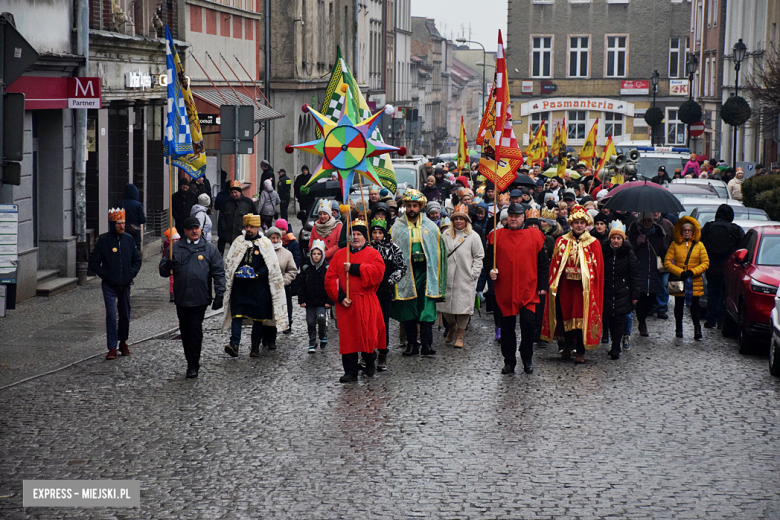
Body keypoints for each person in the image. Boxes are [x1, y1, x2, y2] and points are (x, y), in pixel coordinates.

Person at [487, 203, 549, 374]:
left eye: (517, 216)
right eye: (511, 216)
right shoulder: (497, 235)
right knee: (507, 327)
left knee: (529, 324)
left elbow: (543, 264)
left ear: (523, 217)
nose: (513, 219)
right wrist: (491, 271)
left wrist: (543, 286)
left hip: (528, 288)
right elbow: (488, 260)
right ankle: (509, 360)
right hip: (505, 288)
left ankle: (527, 356)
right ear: (507, 218)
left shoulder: (535, 235)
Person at [161, 216, 225, 378]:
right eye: (191, 228)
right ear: (185, 231)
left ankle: (193, 364)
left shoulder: (209, 249)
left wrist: (219, 293)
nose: (195, 230)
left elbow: (218, 272)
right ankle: (189, 358)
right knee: (185, 330)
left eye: (197, 228)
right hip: (182, 298)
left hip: (200, 297)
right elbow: (162, 270)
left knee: (195, 330)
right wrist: (166, 266)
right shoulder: (175, 248)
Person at [325, 219, 387, 382]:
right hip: (346, 303)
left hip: (366, 299)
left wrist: (355, 268)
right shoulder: (339, 254)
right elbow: (330, 279)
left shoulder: (374, 254)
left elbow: (378, 272)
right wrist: (339, 297)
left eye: (359, 234)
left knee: (367, 334)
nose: (356, 237)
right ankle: (350, 371)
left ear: (365, 237)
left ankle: (369, 361)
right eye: (353, 234)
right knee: (349, 337)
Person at [542, 205, 604, 363]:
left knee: (582, 318)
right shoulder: (562, 241)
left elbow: (597, 268)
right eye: (576, 222)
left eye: (582, 222)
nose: (579, 225)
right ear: (571, 223)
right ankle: (567, 345)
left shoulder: (594, 243)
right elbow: (555, 265)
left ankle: (580, 351)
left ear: (586, 224)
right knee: (566, 316)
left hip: (584, 289)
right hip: (566, 287)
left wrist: (584, 273)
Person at [391, 189, 448, 357]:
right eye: (409, 206)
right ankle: (411, 344)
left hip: (426, 272)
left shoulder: (431, 227)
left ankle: (427, 344)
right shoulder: (396, 228)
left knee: (426, 307)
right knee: (408, 307)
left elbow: (439, 252)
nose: (411, 209)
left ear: (420, 207)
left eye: (415, 206)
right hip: (406, 273)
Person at [221, 215, 287, 357]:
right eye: (246, 227)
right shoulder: (238, 242)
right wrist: (237, 272)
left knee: (258, 318)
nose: (248, 229)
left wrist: (257, 274)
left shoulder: (265, 244)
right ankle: (234, 344)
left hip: (259, 288)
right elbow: (231, 261)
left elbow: (271, 266)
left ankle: (255, 346)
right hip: (240, 287)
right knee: (237, 315)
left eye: (251, 227)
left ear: (257, 227)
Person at [88, 208, 143, 360]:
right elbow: (93, 261)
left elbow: (136, 260)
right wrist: (105, 275)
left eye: (123, 223)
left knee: (125, 314)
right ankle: (112, 346)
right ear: (113, 224)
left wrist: (131, 273)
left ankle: (123, 341)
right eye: (119, 223)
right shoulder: (104, 240)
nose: (122, 226)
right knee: (111, 315)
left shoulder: (128, 239)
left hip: (125, 284)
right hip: (109, 285)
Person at [437, 205, 484, 348]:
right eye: (456, 219)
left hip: (465, 277)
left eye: (461, 219)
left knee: (464, 308)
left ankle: (460, 336)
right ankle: (451, 326)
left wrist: (474, 273)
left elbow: (479, 256)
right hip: (447, 276)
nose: (458, 221)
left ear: (466, 221)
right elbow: (439, 253)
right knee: (445, 306)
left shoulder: (473, 236)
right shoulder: (445, 235)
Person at [369, 218, 406, 370]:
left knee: (382, 323)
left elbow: (401, 267)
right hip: (368, 291)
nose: (377, 236)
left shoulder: (392, 248)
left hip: (384, 291)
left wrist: (389, 281)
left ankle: (383, 352)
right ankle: (368, 353)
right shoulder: (367, 247)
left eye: (380, 233)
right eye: (374, 232)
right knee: (368, 322)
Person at [664, 217, 710, 340]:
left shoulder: (699, 246)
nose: (687, 232)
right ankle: (678, 327)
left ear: (694, 231)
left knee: (695, 307)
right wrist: (680, 272)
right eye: (685, 230)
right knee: (678, 306)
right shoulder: (674, 245)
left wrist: (693, 272)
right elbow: (667, 262)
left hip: (694, 281)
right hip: (680, 281)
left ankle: (697, 329)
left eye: (690, 230)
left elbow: (705, 263)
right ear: (681, 231)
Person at [700, 204, 744, 328]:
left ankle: (710, 319)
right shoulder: (736, 230)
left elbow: (700, 243)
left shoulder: (709, 227)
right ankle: (721, 321)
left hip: (711, 265)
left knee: (712, 292)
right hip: (728, 267)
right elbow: (742, 246)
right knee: (725, 293)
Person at [602, 221, 640, 359]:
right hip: (607, 290)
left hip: (623, 290)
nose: (616, 241)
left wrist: (635, 294)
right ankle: (611, 340)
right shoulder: (604, 251)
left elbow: (634, 274)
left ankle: (615, 347)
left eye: (618, 238)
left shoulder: (628, 253)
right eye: (613, 238)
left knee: (618, 319)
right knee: (610, 319)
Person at [627, 213, 667, 339]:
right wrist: (639, 243)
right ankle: (642, 322)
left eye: (649, 221)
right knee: (641, 297)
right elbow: (630, 251)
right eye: (644, 221)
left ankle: (643, 318)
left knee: (652, 298)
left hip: (653, 270)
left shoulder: (657, 234)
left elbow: (662, 250)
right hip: (639, 270)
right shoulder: (634, 233)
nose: (647, 223)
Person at [298, 240, 333, 352]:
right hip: (309, 300)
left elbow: (330, 286)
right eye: (314, 254)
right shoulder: (306, 268)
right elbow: (301, 284)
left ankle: (323, 336)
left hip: (322, 300)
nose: (316, 256)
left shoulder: (327, 269)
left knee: (321, 319)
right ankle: (312, 342)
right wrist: (302, 299)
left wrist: (329, 301)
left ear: (322, 255)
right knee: (310, 322)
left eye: (319, 254)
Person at [266, 226, 298, 341]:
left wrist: (283, 281)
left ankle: (272, 339)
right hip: (265, 287)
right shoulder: (262, 251)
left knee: (277, 313)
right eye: (272, 238)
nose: (275, 240)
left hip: (281, 287)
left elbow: (292, 270)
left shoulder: (287, 253)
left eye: (277, 238)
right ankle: (263, 338)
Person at [219, 180, 255, 254]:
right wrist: (225, 229)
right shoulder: (226, 203)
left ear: (240, 192)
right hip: (230, 235)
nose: (234, 194)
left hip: (244, 234)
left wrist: (248, 229)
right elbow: (222, 217)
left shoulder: (248, 202)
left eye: (235, 192)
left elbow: (254, 217)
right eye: (232, 193)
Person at [118, 183, 147, 251]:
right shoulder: (138, 204)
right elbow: (142, 220)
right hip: (134, 231)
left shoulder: (120, 203)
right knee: (133, 249)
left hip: (122, 229)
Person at [162, 227, 180, 302]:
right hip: (171, 264)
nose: (177, 241)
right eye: (175, 240)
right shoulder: (169, 248)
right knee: (172, 280)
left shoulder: (178, 246)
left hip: (177, 265)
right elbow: (164, 257)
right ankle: (172, 293)